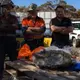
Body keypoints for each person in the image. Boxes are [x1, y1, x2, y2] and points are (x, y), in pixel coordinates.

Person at [0, 2, 18, 79]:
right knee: (0, 61)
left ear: (11, 8)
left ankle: (15, 77)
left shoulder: (14, 18)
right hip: (1, 41)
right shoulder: (0, 17)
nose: (6, 9)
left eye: (8, 7)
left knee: (13, 60)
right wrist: (10, 26)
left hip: (11, 41)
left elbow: (16, 27)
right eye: (5, 7)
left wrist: (4, 26)